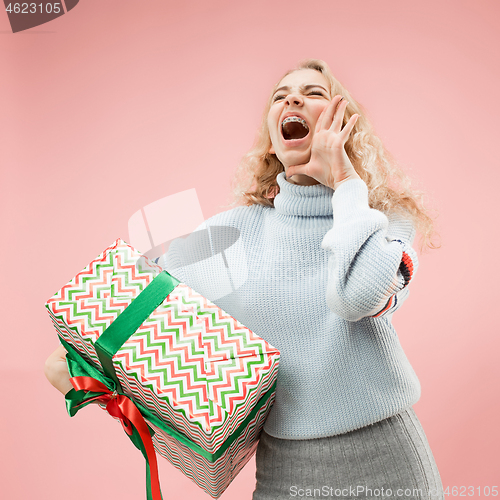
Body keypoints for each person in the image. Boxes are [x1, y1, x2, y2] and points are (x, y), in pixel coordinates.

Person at [45, 59, 444, 499]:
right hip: (284, 474)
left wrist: (346, 181)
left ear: (344, 125)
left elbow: (358, 297)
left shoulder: (387, 221)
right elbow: (132, 312)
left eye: (314, 93)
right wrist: (82, 371)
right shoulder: (228, 234)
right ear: (272, 140)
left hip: (389, 462)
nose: (293, 98)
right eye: (280, 96)